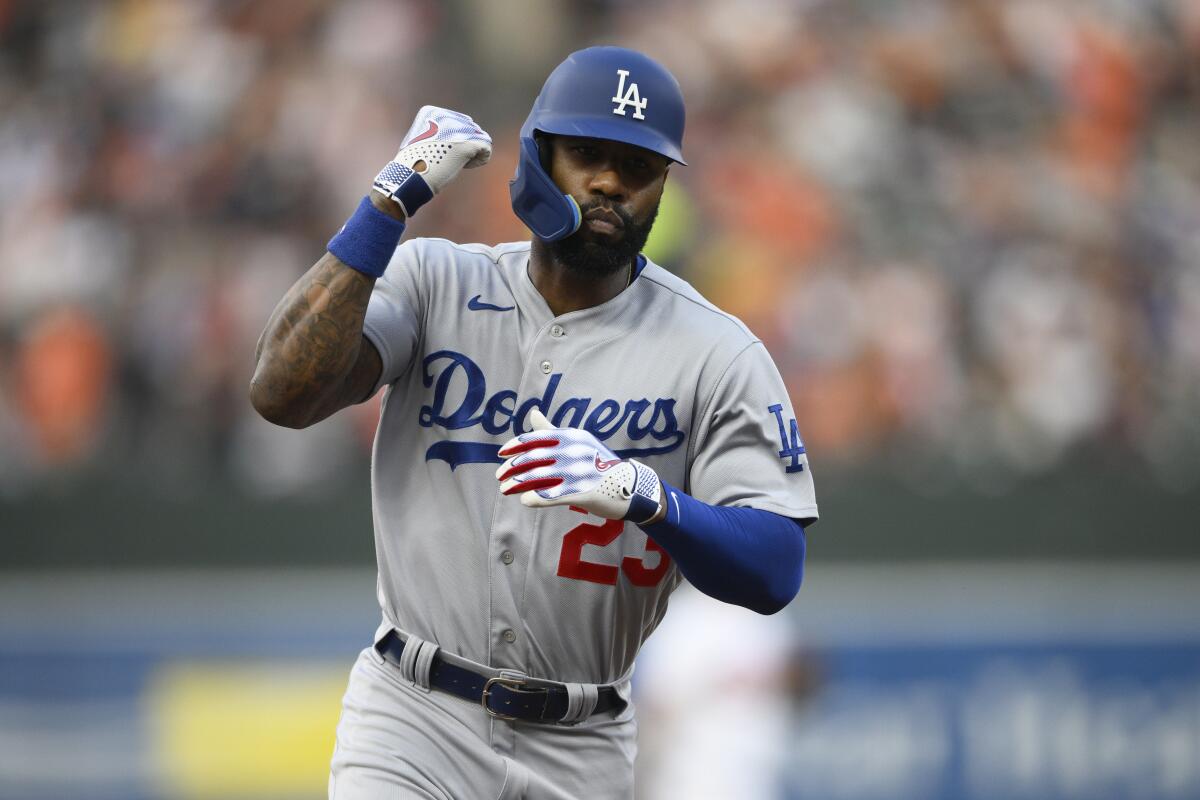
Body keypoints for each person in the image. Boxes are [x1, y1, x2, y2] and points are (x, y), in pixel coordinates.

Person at [250, 46, 817, 800]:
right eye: (586, 153)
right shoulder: (434, 280)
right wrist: (387, 202)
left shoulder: (715, 351)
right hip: (413, 717)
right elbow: (282, 392)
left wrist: (647, 495)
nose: (611, 181)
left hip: (582, 742)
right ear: (537, 158)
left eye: (639, 167)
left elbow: (776, 569)